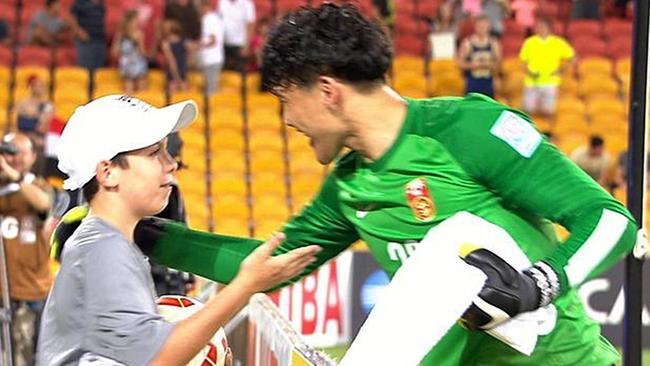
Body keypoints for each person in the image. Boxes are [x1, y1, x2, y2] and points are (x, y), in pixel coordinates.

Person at [53, 5, 637, 366]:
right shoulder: (349, 186)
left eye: (288, 100)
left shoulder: (470, 128)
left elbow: (609, 219)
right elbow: (267, 263)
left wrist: (538, 283)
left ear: (328, 92)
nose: (287, 121)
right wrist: (146, 235)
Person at [37, 95, 320, 366]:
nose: (171, 163)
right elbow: (159, 359)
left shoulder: (107, 241)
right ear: (107, 172)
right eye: (153, 153)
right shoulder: (104, 249)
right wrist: (246, 285)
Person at [0, 133, 55, 366]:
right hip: (2, 291)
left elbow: (44, 205)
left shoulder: (39, 186)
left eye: (19, 152)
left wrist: (17, 178)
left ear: (33, 156)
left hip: (29, 293)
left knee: (25, 359)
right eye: (8, 152)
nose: (13, 158)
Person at [519, 17, 575, 117]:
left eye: (543, 27)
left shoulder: (558, 43)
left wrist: (561, 71)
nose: (540, 29)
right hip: (532, 81)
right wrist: (529, 72)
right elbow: (522, 62)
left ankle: (547, 130)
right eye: (538, 27)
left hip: (550, 82)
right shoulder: (529, 42)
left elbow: (572, 58)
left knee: (548, 112)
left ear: (549, 28)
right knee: (527, 110)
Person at [11, 75, 55, 176]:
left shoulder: (48, 106)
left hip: (40, 142)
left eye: (41, 86)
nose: (40, 88)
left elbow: (45, 127)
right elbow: (18, 123)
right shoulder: (23, 104)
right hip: (25, 138)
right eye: (37, 85)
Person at [457, 14, 501, 97]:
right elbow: (460, 63)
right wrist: (472, 65)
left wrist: (489, 65)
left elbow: (498, 63)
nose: (482, 29)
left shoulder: (494, 43)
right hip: (472, 84)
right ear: (475, 27)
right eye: (480, 26)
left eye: (485, 27)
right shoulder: (467, 43)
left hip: (488, 84)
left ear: (489, 27)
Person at [111, 10, 149, 93]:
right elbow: (114, 51)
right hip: (128, 65)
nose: (138, 22)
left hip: (137, 63)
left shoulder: (139, 34)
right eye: (136, 20)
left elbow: (141, 52)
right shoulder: (121, 34)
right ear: (130, 21)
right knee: (130, 92)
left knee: (141, 92)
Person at [67, 0, 107, 71]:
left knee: (99, 70)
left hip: (99, 40)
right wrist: (79, 32)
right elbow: (70, 17)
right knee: (85, 69)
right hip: (85, 41)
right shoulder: (81, 2)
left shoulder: (101, 3)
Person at [217, 0, 255, 72]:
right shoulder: (222, 2)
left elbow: (250, 25)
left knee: (240, 72)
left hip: (240, 44)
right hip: (224, 43)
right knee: (224, 72)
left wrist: (246, 45)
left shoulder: (247, 4)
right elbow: (218, 22)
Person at [197, 0, 225, 95]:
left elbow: (213, 40)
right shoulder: (215, 18)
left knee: (211, 91)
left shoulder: (208, 19)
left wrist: (197, 45)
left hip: (211, 59)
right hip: (213, 59)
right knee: (210, 88)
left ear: (203, 7)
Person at [161, 20, 188, 93]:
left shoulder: (166, 43)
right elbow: (172, 61)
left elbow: (172, 61)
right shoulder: (182, 42)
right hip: (179, 73)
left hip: (175, 75)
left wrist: (176, 77)